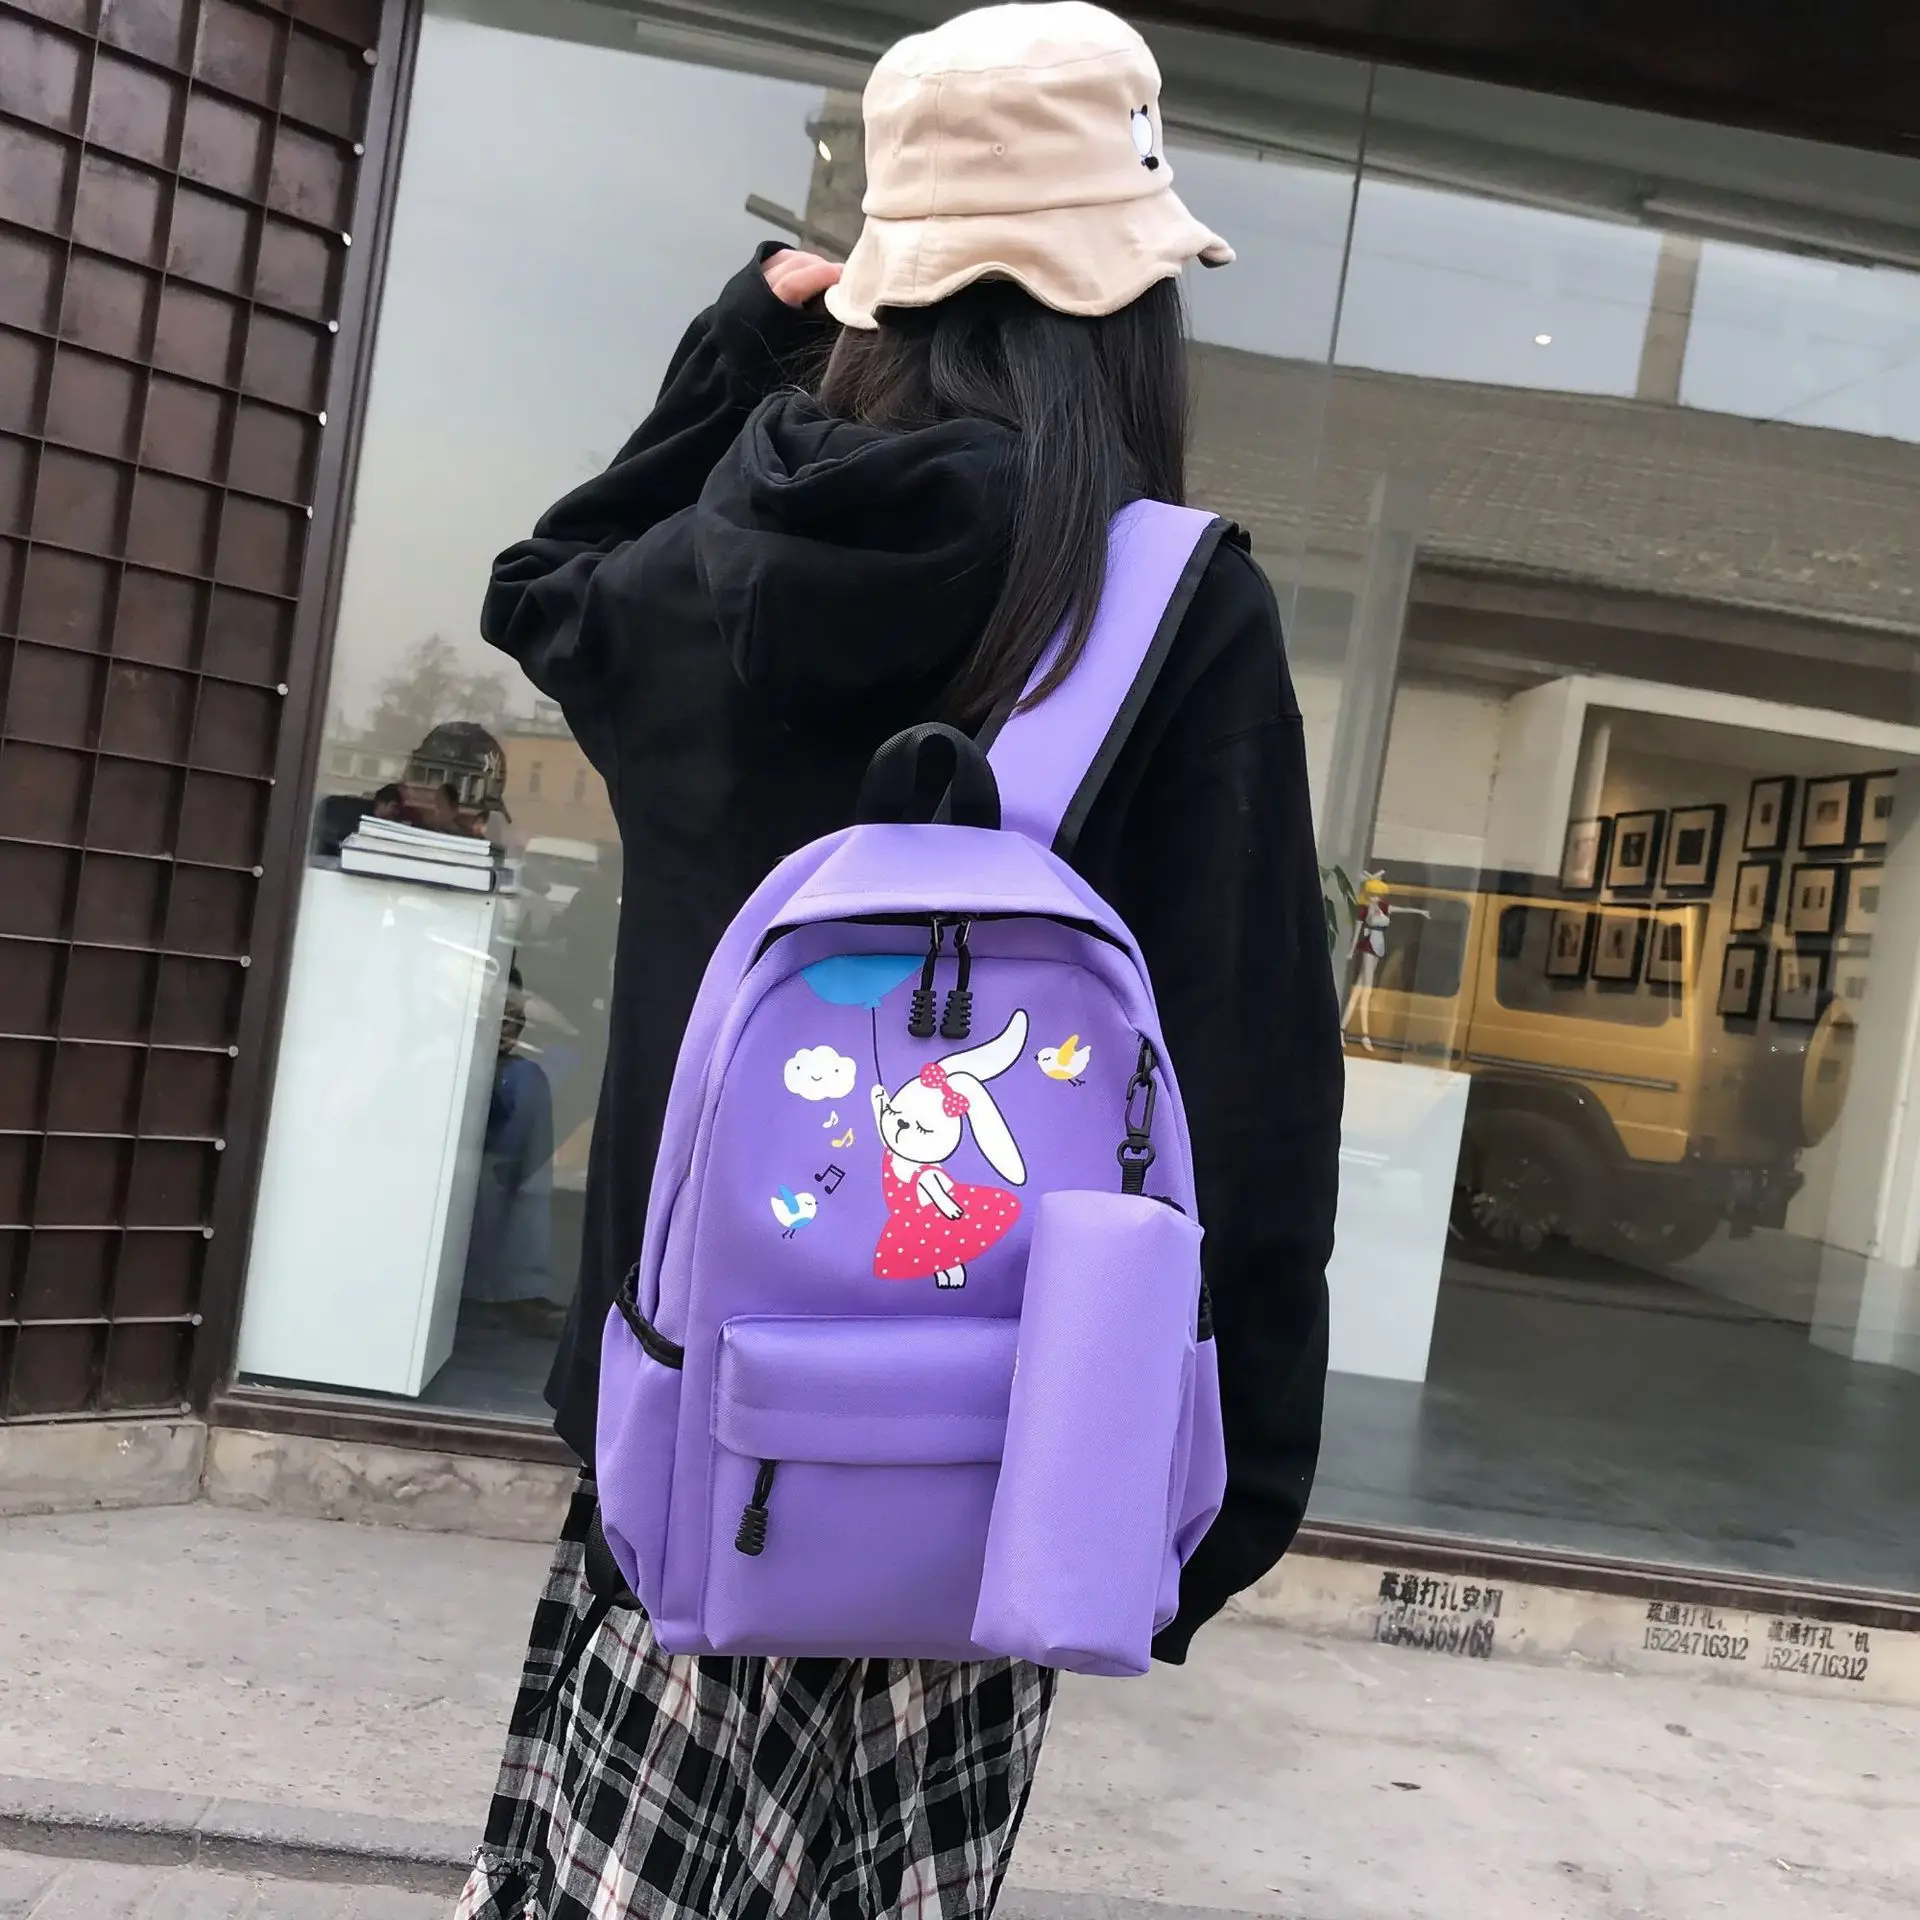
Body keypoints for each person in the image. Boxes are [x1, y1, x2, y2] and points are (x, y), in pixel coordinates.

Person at [456, 7, 1341, 1917]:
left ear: (879, 284)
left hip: (684, 1442)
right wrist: (1219, 1499)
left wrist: (739, 346)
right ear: (1128, 303)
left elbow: (539, 585)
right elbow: (1254, 1096)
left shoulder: (696, 576)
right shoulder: (1175, 615)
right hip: (997, 1475)